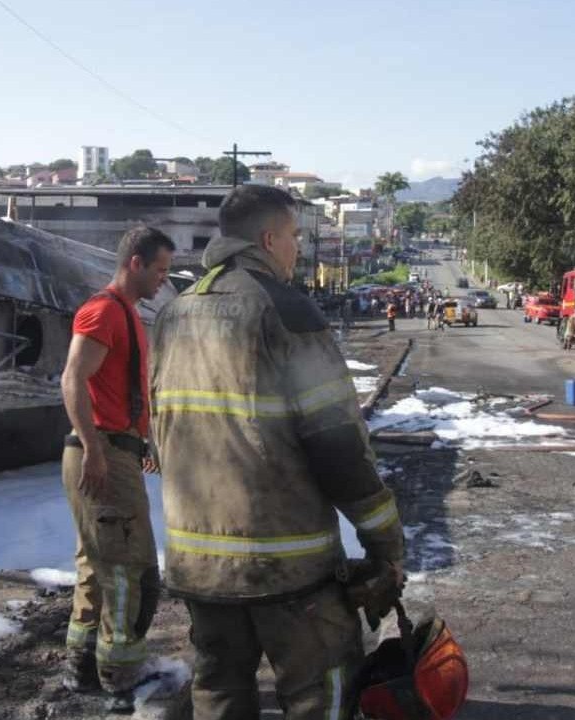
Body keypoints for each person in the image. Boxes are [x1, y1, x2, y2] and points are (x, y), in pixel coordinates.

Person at [150, 185, 407, 720]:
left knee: (219, 694)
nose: (296, 247)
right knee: (323, 693)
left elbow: (164, 428)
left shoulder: (176, 314)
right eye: (293, 236)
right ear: (269, 240)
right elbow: (337, 443)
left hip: (199, 566)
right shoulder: (286, 310)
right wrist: (384, 537)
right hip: (287, 569)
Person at [60, 225, 174, 712]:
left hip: (115, 445)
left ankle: (83, 663)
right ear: (135, 262)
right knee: (131, 568)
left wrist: (140, 439)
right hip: (102, 449)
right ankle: (120, 669)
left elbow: (118, 387)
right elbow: (72, 378)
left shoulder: (126, 314)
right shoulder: (104, 311)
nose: (162, 281)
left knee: (97, 562)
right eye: (160, 270)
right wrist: (96, 447)